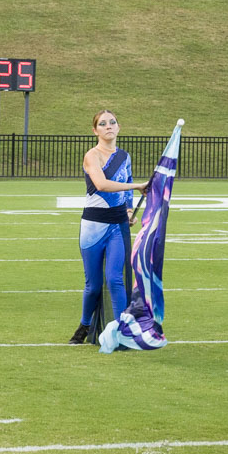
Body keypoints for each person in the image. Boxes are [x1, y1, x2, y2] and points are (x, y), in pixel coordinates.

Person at [68, 110, 149, 344]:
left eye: (112, 122)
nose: (108, 126)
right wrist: (137, 186)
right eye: (102, 124)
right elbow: (102, 185)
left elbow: (125, 182)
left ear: (118, 127)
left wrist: (129, 211)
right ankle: (84, 326)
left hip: (118, 225)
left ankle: (123, 331)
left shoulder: (125, 156)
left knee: (115, 279)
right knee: (93, 286)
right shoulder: (91, 156)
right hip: (93, 226)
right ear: (95, 130)